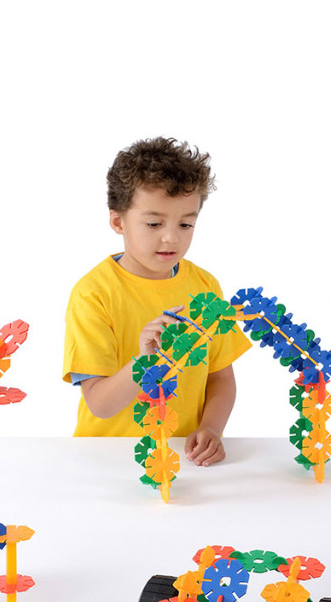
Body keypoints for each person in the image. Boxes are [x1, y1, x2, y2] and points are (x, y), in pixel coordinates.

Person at [62, 137, 250, 466]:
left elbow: (220, 377)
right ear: (118, 221)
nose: (171, 237)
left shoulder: (205, 286)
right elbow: (100, 404)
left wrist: (211, 428)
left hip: (181, 460)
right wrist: (144, 362)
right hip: (106, 461)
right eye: (153, 223)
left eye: (186, 224)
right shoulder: (93, 294)